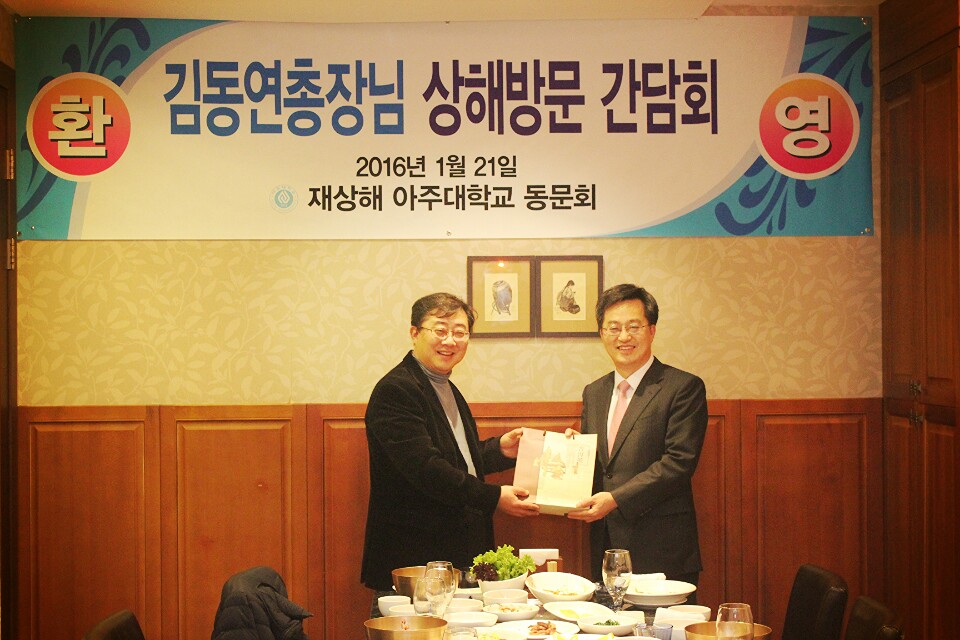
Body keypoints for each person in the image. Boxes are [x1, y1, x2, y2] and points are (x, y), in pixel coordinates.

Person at [360, 292, 539, 594]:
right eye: (440, 330)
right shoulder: (397, 390)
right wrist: (494, 497)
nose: (450, 341)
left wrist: (500, 450)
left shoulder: (445, 386)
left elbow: (456, 458)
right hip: (415, 557)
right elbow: (427, 469)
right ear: (414, 333)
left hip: (452, 551)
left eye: (460, 332)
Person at [567, 284, 708, 599]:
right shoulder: (595, 391)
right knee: (608, 622)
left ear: (652, 330)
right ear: (601, 333)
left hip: (661, 545)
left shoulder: (683, 387)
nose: (623, 337)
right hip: (606, 544)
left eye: (633, 327)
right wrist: (576, 451)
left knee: (664, 625)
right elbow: (604, 462)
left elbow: (678, 463)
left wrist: (615, 498)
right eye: (613, 328)